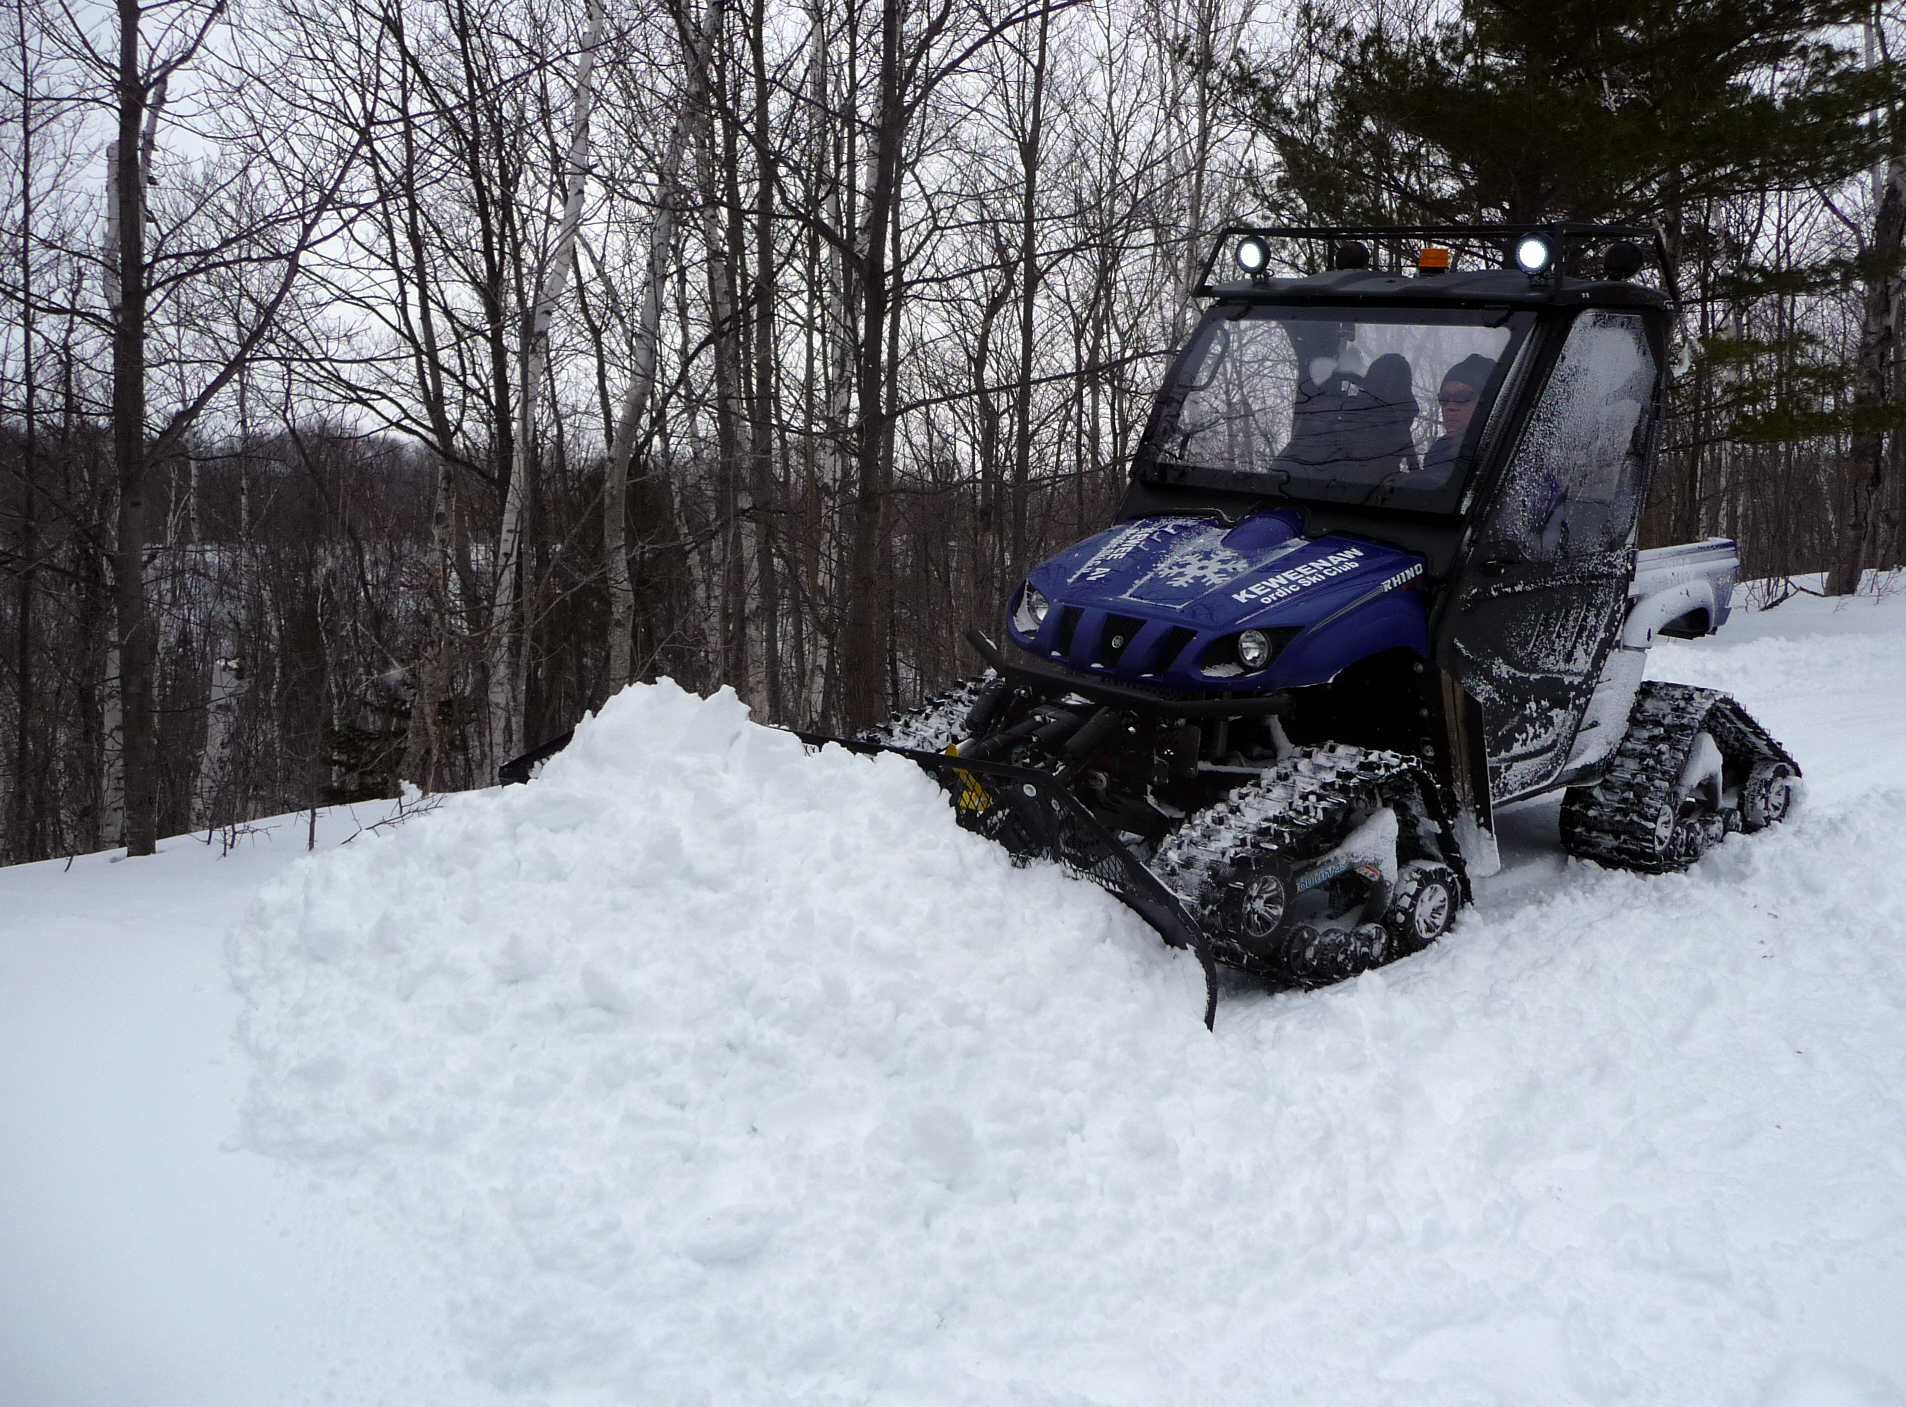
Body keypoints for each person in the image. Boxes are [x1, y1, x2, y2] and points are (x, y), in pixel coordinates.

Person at [1418, 354, 1496, 485]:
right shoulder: (1437, 452)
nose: (1450, 407)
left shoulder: (1499, 452)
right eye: (1444, 399)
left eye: (1462, 397)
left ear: (1487, 403)